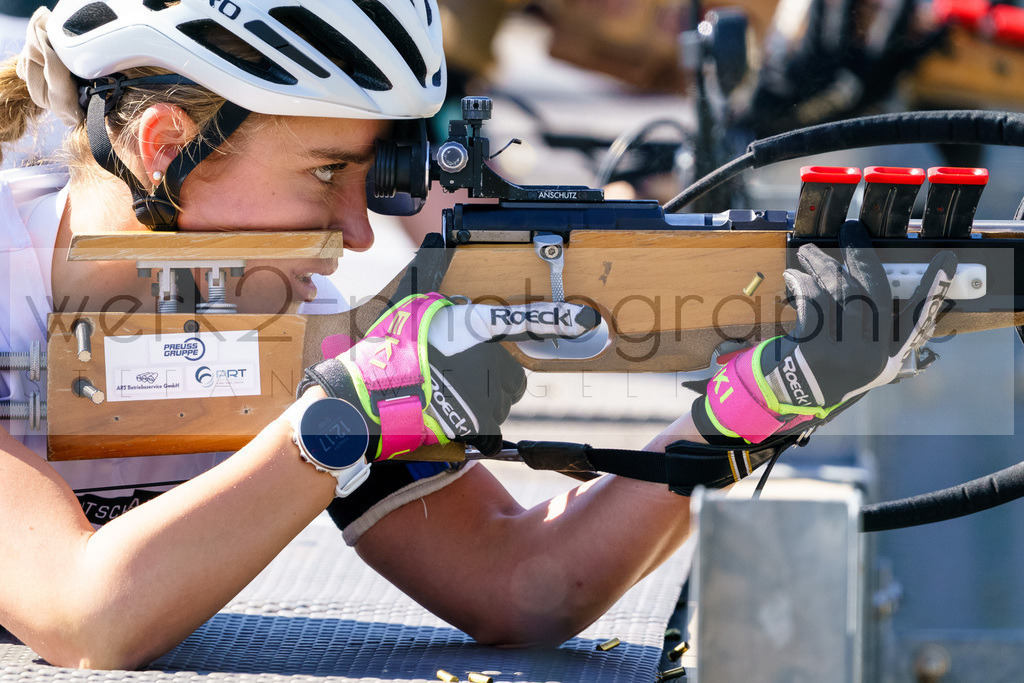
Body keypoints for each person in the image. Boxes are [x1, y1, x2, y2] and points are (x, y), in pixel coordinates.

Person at [0, 0, 956, 671]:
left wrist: (754, 408)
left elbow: (522, 585)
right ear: (164, 145)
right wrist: (341, 421)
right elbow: (90, 619)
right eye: (327, 172)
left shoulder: (285, 317)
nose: (358, 232)